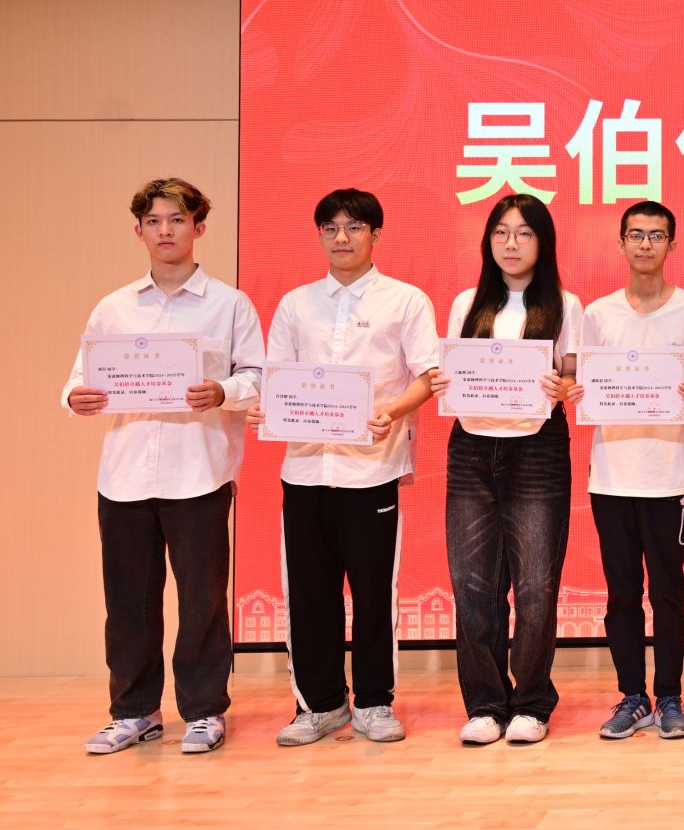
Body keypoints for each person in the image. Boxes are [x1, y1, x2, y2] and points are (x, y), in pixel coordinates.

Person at [66, 178, 263, 756]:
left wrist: (222, 391)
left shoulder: (229, 304)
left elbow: (258, 377)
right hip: (124, 475)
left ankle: (204, 711)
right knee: (128, 601)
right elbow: (80, 377)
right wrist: (76, 396)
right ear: (139, 231)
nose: (165, 231)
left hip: (199, 472)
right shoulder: (115, 306)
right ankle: (134, 711)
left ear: (199, 227)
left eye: (177, 219)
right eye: (153, 221)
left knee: (203, 600)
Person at [246, 189, 437, 747]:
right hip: (305, 470)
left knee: (374, 593)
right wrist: (265, 405)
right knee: (310, 593)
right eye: (329, 228)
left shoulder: (406, 300)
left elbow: (428, 375)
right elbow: (276, 376)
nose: (341, 238)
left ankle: (375, 702)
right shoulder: (295, 303)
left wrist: (391, 412)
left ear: (376, 234)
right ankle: (320, 704)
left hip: (371, 470)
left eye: (354, 227)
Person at [427, 193, 582, 746]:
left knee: (537, 585)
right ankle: (486, 704)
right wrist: (445, 381)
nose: (511, 244)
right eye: (501, 232)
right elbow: (451, 368)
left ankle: (533, 702)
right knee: (473, 585)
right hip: (471, 447)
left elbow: (573, 377)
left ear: (544, 242)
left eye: (524, 233)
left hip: (537, 448)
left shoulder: (567, 304)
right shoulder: (467, 302)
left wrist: (563, 386)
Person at [583, 201, 684, 742]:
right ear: (621, 243)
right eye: (635, 235)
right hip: (611, 476)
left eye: (656, 236)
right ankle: (633, 696)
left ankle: (670, 696)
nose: (644, 244)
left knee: (667, 593)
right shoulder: (597, 314)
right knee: (621, 594)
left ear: (671, 245)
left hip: (666, 476)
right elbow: (586, 382)